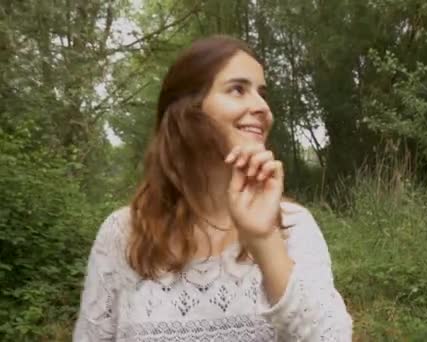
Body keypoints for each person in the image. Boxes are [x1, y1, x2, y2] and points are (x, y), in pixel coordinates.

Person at [73, 35, 353, 341]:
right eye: (237, 89)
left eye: (262, 93)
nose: (262, 107)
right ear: (186, 111)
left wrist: (264, 239)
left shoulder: (292, 227)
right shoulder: (123, 234)